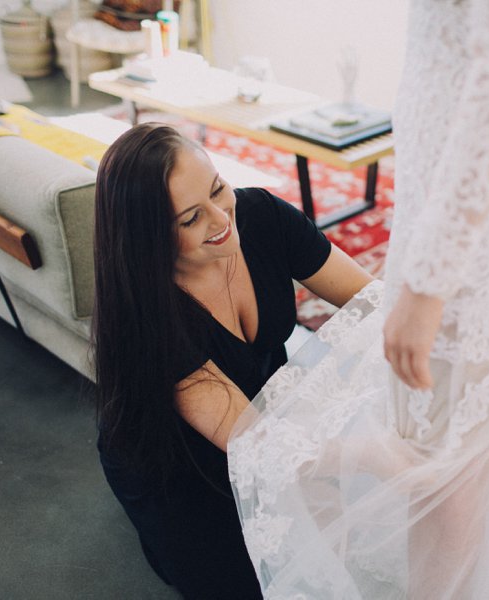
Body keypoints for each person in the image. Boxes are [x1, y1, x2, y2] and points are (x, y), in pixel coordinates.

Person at [228, 1, 489, 598]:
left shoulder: (447, 262)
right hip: (463, 216)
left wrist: (426, 284)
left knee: (440, 465)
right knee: (457, 452)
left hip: (479, 237)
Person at [90, 123, 372, 598]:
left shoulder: (261, 215)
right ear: (149, 239)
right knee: (269, 579)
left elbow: (371, 301)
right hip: (179, 467)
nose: (221, 220)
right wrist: (375, 455)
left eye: (218, 188)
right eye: (190, 219)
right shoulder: (150, 319)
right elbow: (261, 445)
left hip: (261, 409)